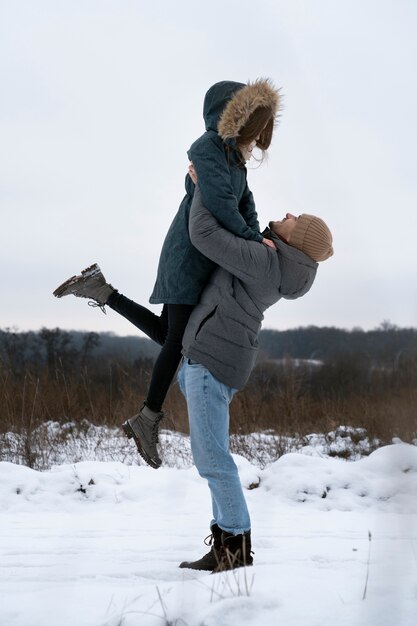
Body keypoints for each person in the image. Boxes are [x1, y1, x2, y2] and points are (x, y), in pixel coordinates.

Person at [53, 79, 281, 469]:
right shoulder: (207, 148)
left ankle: (100, 288)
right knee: (177, 340)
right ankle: (147, 417)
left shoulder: (235, 163)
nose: (257, 136)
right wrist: (251, 240)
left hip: (199, 258)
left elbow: (245, 207)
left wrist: (259, 238)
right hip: (187, 256)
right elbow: (224, 207)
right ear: (233, 117)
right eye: (253, 125)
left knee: (169, 335)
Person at [176, 186, 333, 573]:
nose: (290, 212)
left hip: (212, 360)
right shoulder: (274, 263)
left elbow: (204, 235)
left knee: (213, 459)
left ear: (296, 238)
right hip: (215, 358)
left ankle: (234, 548)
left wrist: (200, 188)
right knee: (212, 458)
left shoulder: (265, 262)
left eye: (298, 219)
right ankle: (227, 542)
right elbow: (243, 228)